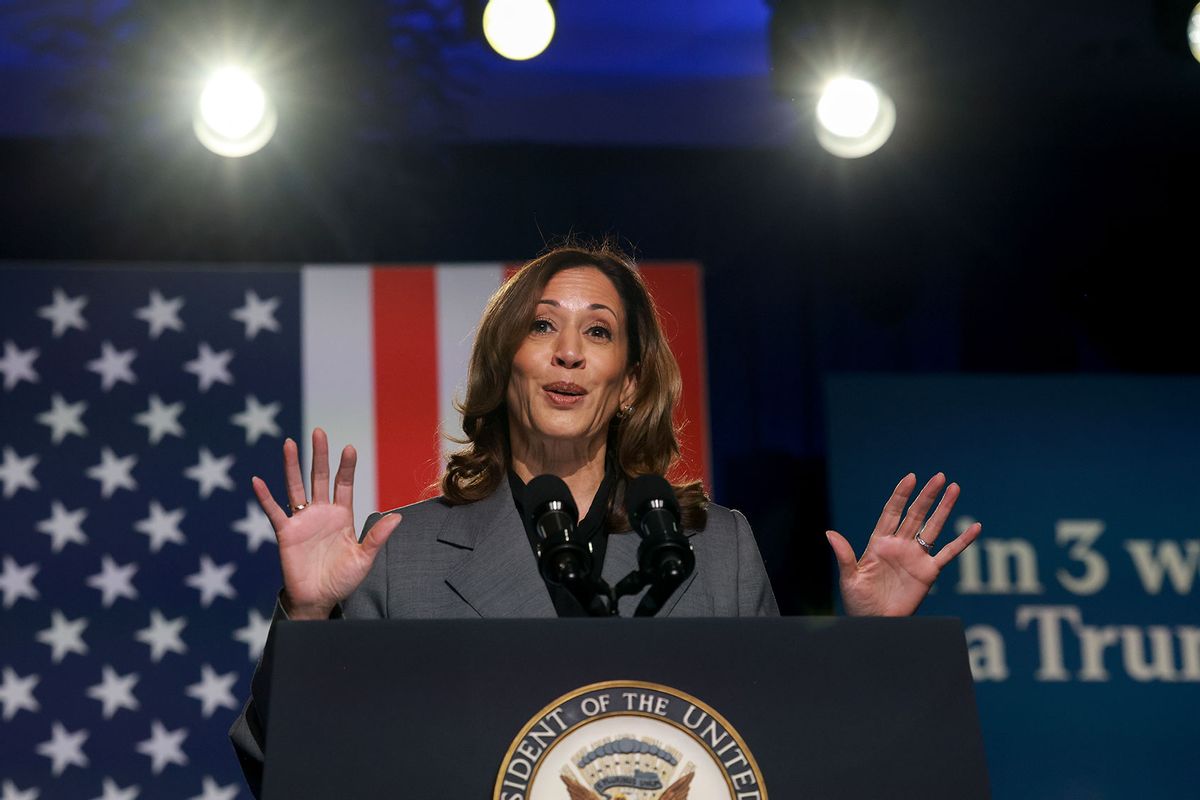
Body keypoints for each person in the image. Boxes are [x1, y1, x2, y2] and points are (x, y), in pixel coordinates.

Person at [229, 243, 982, 793]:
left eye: (597, 332)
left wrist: (877, 648)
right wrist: (307, 613)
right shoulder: (404, 549)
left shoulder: (714, 547)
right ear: (504, 365)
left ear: (627, 384)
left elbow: (779, 758)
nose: (568, 354)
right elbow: (287, 766)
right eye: (541, 328)